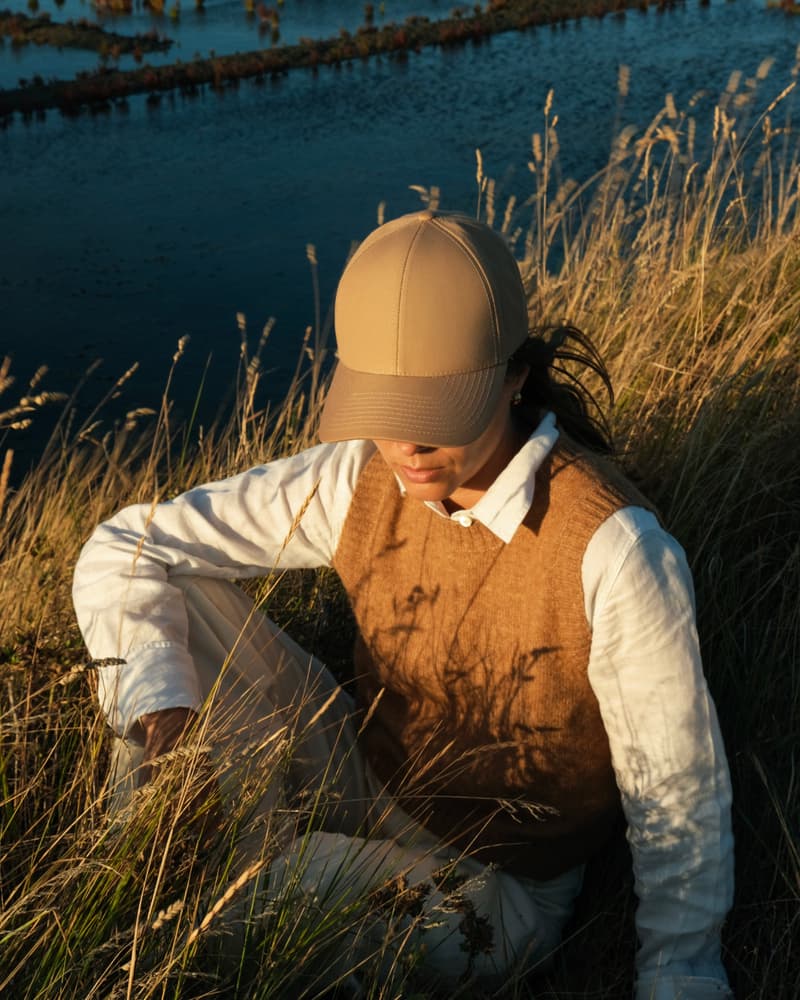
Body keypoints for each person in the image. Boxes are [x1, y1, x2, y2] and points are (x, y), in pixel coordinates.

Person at [73, 210, 734, 997]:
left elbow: (676, 794)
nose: (407, 448)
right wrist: (170, 719)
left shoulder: (617, 552)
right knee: (168, 596)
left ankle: (195, 888)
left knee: (215, 905)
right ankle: (181, 849)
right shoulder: (359, 475)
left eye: (436, 413)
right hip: (361, 775)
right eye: (387, 410)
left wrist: (680, 973)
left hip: (497, 889)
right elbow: (126, 545)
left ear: (514, 377)